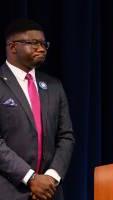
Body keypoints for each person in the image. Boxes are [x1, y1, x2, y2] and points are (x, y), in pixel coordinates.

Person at [0, 19, 75, 200]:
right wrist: (30, 178)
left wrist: (51, 177)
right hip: (9, 190)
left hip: (49, 192)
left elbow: (66, 136)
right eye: (33, 43)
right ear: (12, 47)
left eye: (43, 44)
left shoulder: (54, 85)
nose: (41, 48)